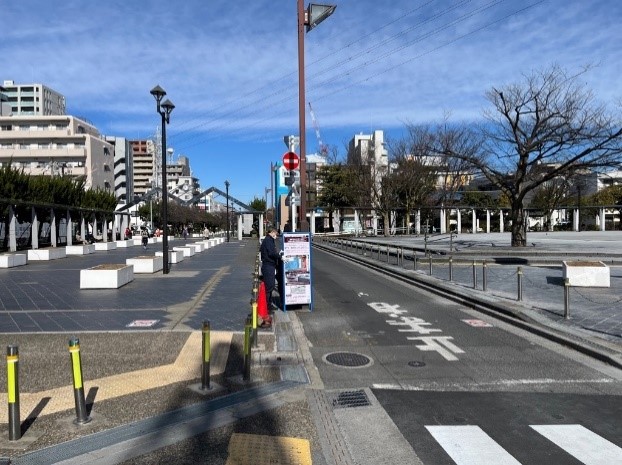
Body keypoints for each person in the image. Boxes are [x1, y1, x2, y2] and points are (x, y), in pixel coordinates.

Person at [260, 227, 282, 311]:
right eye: (275, 233)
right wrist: (280, 257)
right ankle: (267, 305)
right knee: (269, 286)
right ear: (272, 232)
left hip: (269, 265)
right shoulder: (268, 240)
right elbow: (271, 253)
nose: (276, 235)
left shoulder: (268, 240)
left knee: (270, 285)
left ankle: (268, 304)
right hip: (268, 266)